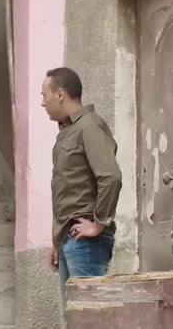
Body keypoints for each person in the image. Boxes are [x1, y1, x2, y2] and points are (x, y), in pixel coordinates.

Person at [40, 67, 123, 313]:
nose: (42, 103)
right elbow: (69, 191)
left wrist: (98, 224)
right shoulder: (69, 131)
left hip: (87, 243)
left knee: (89, 318)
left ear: (60, 94)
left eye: (44, 95)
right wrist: (57, 240)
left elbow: (111, 177)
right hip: (71, 239)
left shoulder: (90, 126)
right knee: (76, 319)